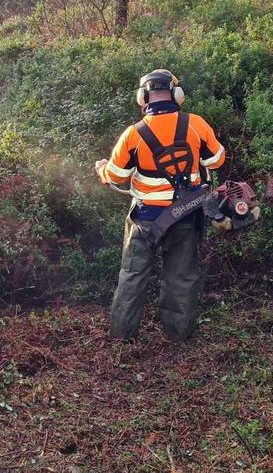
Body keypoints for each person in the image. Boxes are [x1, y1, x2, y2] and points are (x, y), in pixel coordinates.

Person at [93, 69, 226, 343]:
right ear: (177, 95)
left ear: (142, 97)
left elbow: (116, 177)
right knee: (181, 277)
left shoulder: (133, 133)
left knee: (132, 276)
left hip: (144, 219)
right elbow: (216, 161)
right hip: (185, 216)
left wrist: (104, 170)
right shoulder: (196, 124)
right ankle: (178, 336)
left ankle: (121, 338)